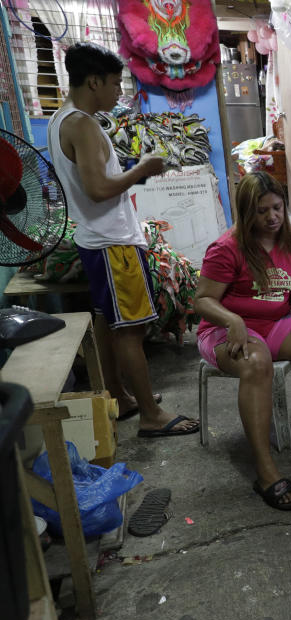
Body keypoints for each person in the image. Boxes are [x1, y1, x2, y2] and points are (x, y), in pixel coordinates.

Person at [47, 42, 199, 437]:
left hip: (95, 238)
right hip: (112, 244)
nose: (119, 92)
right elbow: (98, 189)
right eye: (115, 83)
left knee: (109, 320)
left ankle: (118, 391)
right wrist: (143, 169)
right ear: (93, 80)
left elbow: (91, 184)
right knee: (131, 329)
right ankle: (151, 416)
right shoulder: (82, 124)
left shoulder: (61, 120)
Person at [194, 171, 291, 511]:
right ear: (248, 212)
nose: (272, 217)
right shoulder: (226, 249)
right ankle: (265, 472)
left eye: (277, 207)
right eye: (262, 211)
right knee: (256, 362)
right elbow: (201, 300)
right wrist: (233, 321)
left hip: (273, 323)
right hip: (222, 330)